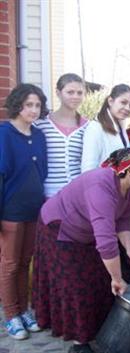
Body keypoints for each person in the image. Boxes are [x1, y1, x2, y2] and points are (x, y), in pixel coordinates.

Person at [33, 145, 130, 353]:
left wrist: (129, 247)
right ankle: (78, 342)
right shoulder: (100, 188)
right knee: (76, 284)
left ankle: (98, 327)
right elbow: (106, 242)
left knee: (99, 279)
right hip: (60, 229)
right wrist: (118, 279)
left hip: (88, 230)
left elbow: (123, 218)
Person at [0, 84, 48, 340]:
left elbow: (42, 171)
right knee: (8, 265)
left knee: (25, 262)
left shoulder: (39, 135)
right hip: (10, 210)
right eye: (28, 104)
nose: (33, 110)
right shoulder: (4, 133)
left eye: (37, 105)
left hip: (34, 209)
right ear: (18, 105)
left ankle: (24, 310)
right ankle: (11, 315)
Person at [35, 73, 88, 198]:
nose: (75, 96)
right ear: (58, 93)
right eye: (70, 92)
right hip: (48, 195)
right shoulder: (41, 124)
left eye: (79, 93)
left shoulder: (88, 127)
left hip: (77, 196)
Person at [81, 84, 130, 172]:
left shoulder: (121, 128)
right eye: (123, 102)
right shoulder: (95, 128)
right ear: (110, 101)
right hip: (102, 184)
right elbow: (87, 170)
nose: (127, 108)